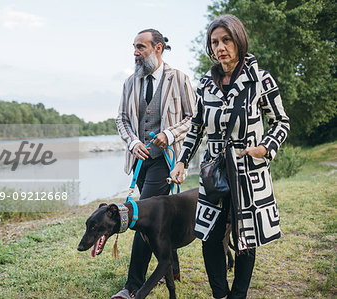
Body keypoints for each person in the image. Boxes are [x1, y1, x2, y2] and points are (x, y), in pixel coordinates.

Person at [170, 15, 290, 299]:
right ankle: (220, 295)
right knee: (210, 237)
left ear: (239, 40)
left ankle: (238, 295)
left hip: (248, 171)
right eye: (215, 42)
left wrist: (265, 148)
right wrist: (182, 161)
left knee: (245, 238)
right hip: (213, 172)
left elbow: (281, 122)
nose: (221, 47)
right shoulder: (205, 84)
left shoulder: (260, 79)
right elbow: (196, 126)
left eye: (226, 40)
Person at [113, 29, 196, 299]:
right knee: (163, 216)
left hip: (167, 161)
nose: (135, 52)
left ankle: (132, 286)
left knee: (143, 217)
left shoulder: (179, 78)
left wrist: (169, 134)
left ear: (158, 48)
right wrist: (133, 142)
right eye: (134, 47)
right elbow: (121, 120)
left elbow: (195, 118)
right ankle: (172, 269)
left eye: (141, 47)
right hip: (140, 161)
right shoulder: (130, 82)